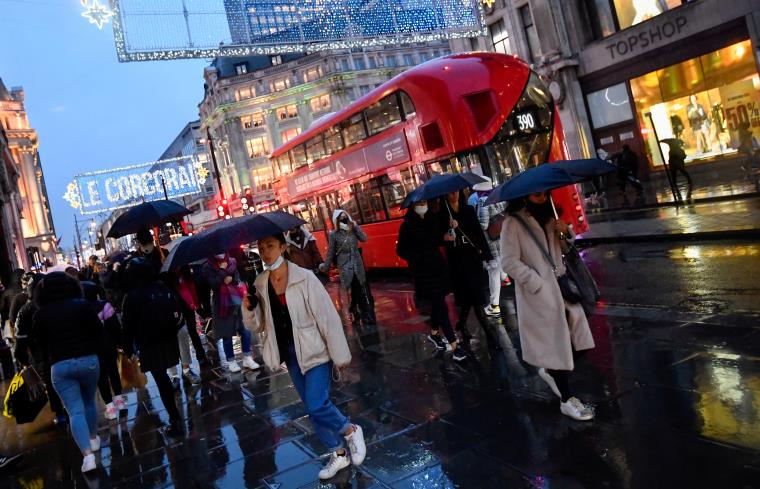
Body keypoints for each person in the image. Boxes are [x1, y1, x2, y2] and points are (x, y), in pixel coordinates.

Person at [242, 233, 366, 480]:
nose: (265, 251)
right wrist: (248, 308)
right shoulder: (260, 283)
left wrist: (339, 354)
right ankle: (338, 453)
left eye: (270, 246)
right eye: (261, 247)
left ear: (283, 247)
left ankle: (351, 430)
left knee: (316, 404)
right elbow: (257, 326)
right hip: (290, 354)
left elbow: (327, 317)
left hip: (315, 350)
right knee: (313, 408)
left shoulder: (305, 277)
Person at [500, 191, 596, 421]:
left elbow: (562, 251)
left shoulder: (551, 218)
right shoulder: (512, 223)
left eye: (544, 194)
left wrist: (565, 233)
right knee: (557, 345)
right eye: (536, 194)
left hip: (562, 289)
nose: (541, 197)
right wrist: (535, 282)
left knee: (582, 341)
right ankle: (567, 401)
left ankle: (550, 371)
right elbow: (508, 261)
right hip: (539, 296)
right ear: (524, 197)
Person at [31, 272, 103, 472]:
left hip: (60, 365)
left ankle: (87, 457)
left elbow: (39, 344)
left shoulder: (41, 314)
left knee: (74, 410)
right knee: (89, 401)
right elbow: (97, 330)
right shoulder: (82, 305)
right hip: (88, 359)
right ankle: (93, 437)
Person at [121, 257, 185, 437]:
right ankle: (175, 414)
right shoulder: (162, 286)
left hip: (149, 342)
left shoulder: (132, 296)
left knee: (160, 377)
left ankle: (175, 418)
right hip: (168, 337)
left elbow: (128, 326)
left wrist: (128, 348)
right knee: (164, 376)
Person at [396, 200, 465, 361]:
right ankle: (455, 345)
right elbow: (401, 250)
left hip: (437, 267)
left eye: (424, 201)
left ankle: (434, 333)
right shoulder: (406, 225)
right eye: (419, 202)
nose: (423, 204)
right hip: (423, 271)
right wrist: (418, 257)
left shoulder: (432, 218)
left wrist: (447, 235)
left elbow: (438, 239)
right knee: (441, 305)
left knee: (438, 302)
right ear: (412, 206)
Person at [440, 191, 500, 350]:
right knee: (470, 296)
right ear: (445, 196)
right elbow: (438, 238)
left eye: (456, 191)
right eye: (451, 193)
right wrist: (447, 234)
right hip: (457, 261)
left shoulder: (468, 210)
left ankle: (464, 325)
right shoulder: (442, 214)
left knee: (476, 296)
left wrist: (488, 255)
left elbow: (479, 234)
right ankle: (490, 335)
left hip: (472, 258)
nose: (454, 194)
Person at [14, 273, 67, 425]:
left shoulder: (24, 311)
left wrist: (22, 359)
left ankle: (60, 412)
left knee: (51, 384)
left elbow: (20, 339)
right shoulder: (57, 303)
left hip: (41, 356)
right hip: (63, 350)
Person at [202, 253, 260, 373]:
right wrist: (222, 270)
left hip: (236, 299)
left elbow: (237, 278)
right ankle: (231, 360)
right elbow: (214, 284)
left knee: (245, 329)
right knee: (226, 334)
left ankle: (247, 357)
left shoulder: (232, 261)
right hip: (221, 303)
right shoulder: (207, 266)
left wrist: (232, 279)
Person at [320, 210, 375, 326]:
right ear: (337, 221)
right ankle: (366, 315)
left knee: (357, 288)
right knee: (357, 287)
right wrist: (325, 267)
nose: (344, 219)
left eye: (346, 217)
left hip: (357, 263)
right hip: (345, 265)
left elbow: (364, 238)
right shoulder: (334, 234)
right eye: (342, 218)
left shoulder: (353, 229)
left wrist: (356, 226)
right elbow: (331, 252)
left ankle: (353, 308)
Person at [81, 281, 126, 420]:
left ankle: (110, 408)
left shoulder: (81, 309)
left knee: (101, 378)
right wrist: (120, 342)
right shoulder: (104, 305)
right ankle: (120, 401)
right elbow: (114, 326)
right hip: (108, 345)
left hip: (92, 350)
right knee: (113, 371)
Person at [166, 265, 207, 385]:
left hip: (188, 307)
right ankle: (177, 372)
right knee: (179, 336)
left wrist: (196, 303)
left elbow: (192, 288)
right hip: (175, 309)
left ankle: (200, 357)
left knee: (192, 332)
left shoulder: (185, 273)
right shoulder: (168, 277)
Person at [474, 178, 508, 317]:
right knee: (498, 268)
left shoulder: (483, 201)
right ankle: (504, 277)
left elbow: (483, 225)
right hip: (501, 239)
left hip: (491, 244)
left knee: (493, 273)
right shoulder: (498, 197)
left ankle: (494, 305)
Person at [0, 269, 24, 339]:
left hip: (13, 319)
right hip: (25, 317)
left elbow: (1, 307)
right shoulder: (26, 287)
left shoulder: (7, 290)